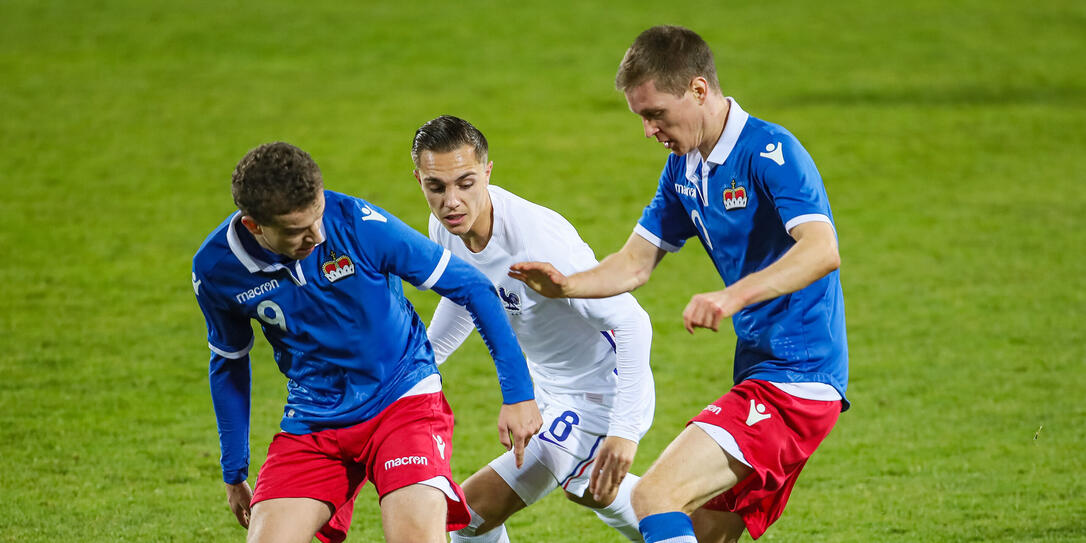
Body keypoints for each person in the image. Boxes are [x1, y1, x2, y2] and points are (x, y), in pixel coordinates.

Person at [509, 25, 849, 543]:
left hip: (798, 378)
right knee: (704, 531)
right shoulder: (684, 169)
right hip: (761, 371)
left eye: (655, 114)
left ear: (697, 90)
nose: (649, 130)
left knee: (654, 496)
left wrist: (732, 295)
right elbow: (635, 263)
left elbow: (822, 249)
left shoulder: (770, 151)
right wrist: (566, 285)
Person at [191, 141, 542, 543]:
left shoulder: (357, 223)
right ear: (254, 226)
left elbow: (474, 288)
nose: (317, 236)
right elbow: (229, 362)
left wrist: (517, 393)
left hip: (403, 401)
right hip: (314, 419)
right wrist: (234, 472)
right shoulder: (216, 269)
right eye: (296, 231)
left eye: (318, 216)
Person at [411, 115, 656, 542]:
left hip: (601, 387)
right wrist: (412, 371)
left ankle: (681, 521)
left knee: (467, 517)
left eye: (466, 183)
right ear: (419, 179)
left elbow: (633, 322)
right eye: (437, 187)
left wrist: (624, 430)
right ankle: (683, 525)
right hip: (549, 384)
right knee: (590, 489)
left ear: (488, 171)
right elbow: (467, 298)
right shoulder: (448, 227)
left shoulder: (536, 243)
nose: (452, 201)